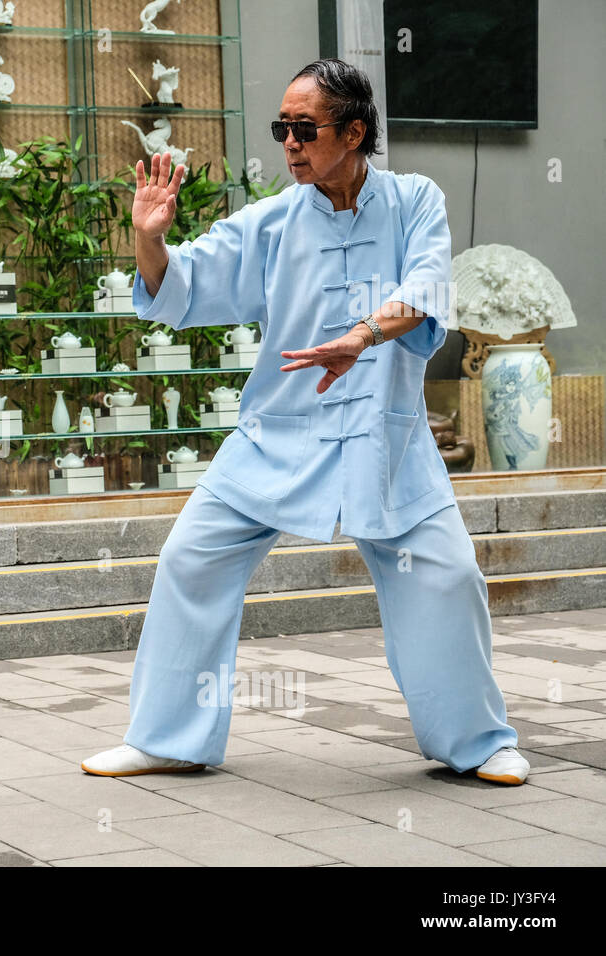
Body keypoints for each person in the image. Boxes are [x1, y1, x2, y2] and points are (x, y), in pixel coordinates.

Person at [81, 59, 527, 786]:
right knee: (190, 560)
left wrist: (363, 334)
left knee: (445, 578)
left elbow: (428, 287)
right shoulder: (273, 220)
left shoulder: (416, 200)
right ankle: (169, 737)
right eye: (281, 128)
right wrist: (150, 240)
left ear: (354, 132)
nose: (289, 143)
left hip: (388, 440)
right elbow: (182, 285)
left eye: (304, 128)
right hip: (277, 434)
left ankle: (477, 743)